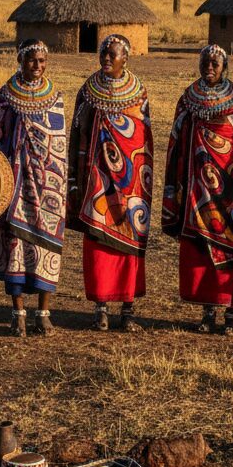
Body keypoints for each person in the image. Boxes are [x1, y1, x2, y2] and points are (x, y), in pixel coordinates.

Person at [162, 44, 233, 335]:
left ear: (224, 66)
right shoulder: (188, 97)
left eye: (215, 63)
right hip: (196, 187)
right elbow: (176, 139)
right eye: (205, 62)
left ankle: (231, 312)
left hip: (230, 188)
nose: (209, 67)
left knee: (229, 244)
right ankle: (208, 311)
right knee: (201, 248)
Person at [68, 33, 152, 333]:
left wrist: (139, 179)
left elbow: (144, 139)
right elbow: (76, 133)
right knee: (98, 242)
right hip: (96, 180)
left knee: (130, 242)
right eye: (103, 52)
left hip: (131, 182)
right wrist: (74, 180)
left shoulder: (138, 93)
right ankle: (100, 308)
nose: (105, 57)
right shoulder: (88, 91)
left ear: (124, 59)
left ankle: (128, 309)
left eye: (112, 54)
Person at [0, 40, 67, 337]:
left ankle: (43, 313)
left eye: (42, 60)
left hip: (49, 183)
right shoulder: (5, 97)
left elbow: (59, 144)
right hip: (15, 182)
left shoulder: (56, 97)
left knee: (46, 243)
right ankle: (18, 312)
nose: (38, 65)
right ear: (20, 61)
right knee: (15, 244)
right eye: (32, 60)